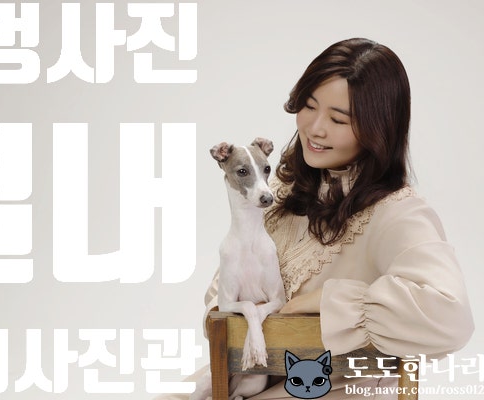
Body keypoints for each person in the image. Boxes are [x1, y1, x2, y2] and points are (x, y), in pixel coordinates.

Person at [160, 38, 474, 399]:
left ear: (379, 128)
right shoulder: (284, 189)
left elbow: (451, 318)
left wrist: (328, 301)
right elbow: (220, 296)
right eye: (309, 106)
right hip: (240, 378)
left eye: (338, 119)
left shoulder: (397, 213)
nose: (315, 128)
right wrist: (244, 312)